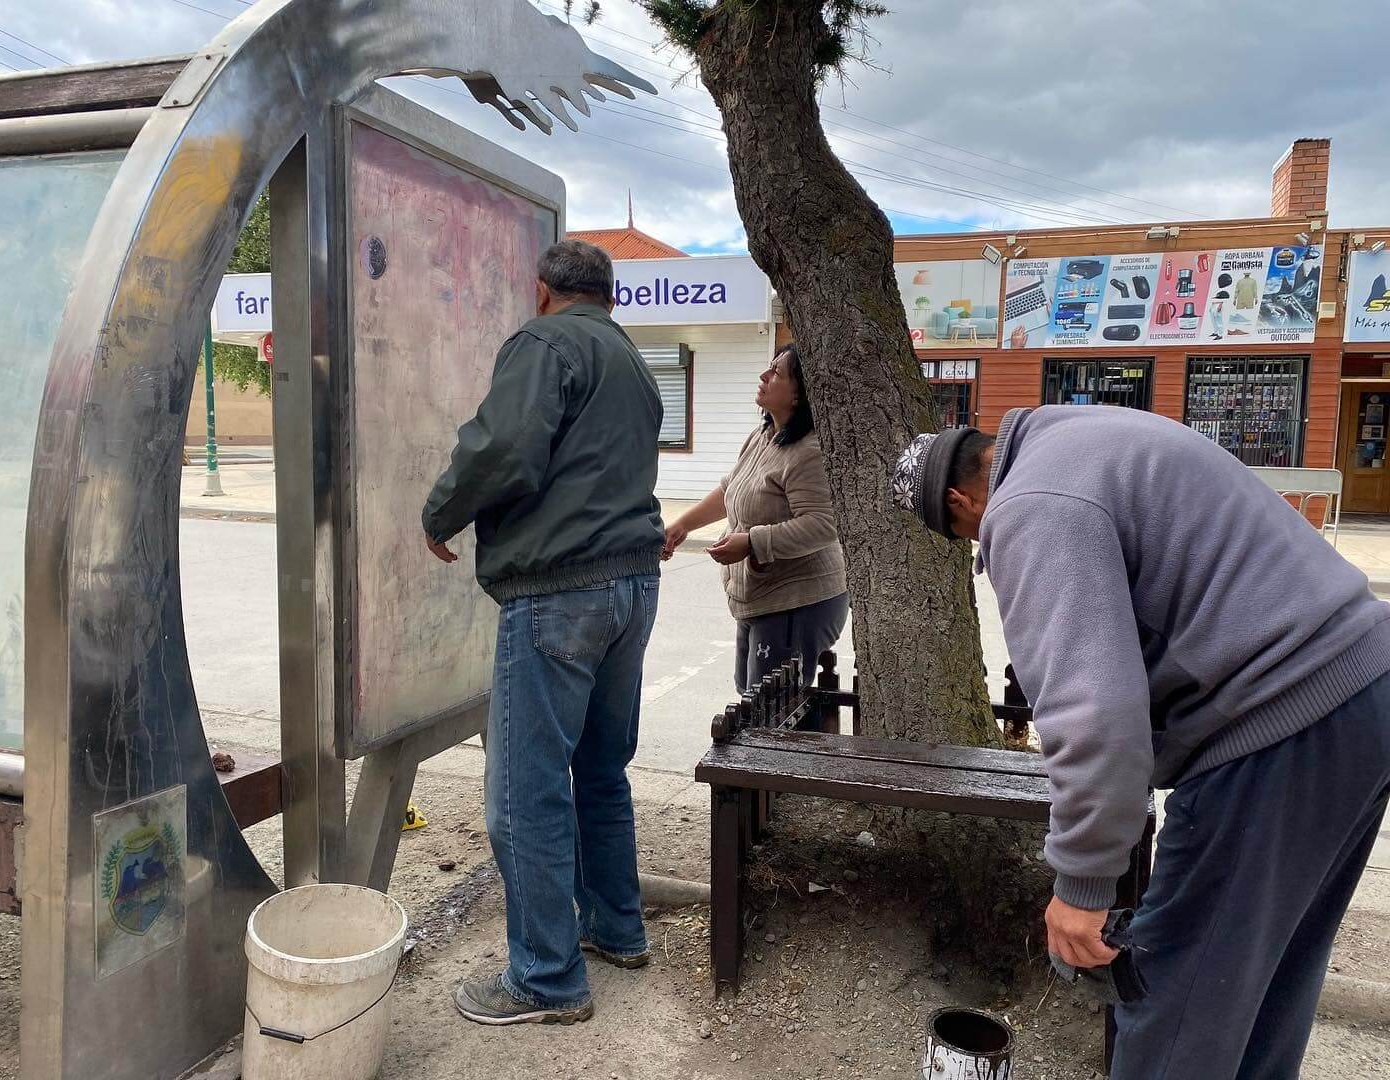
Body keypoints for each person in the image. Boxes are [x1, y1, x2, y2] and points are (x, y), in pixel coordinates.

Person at [892, 406, 1390, 1079]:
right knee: (1263, 982)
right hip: (1362, 688)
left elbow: (1092, 711)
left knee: (1177, 1000)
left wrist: (1082, 881)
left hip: (1277, 727)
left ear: (960, 502)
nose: (982, 541)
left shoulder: (1031, 505)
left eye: (966, 535)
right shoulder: (1084, 436)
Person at [422, 239, 664, 1026]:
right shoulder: (630, 358)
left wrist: (440, 512)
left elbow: (504, 447)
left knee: (525, 794)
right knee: (600, 770)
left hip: (560, 589)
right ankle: (616, 929)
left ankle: (546, 979)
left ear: (542, 290)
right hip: (633, 583)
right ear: (609, 294)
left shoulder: (545, 341)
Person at [663, 344, 847, 693]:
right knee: (754, 702)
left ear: (799, 394)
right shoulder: (763, 436)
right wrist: (682, 525)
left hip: (797, 601)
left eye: (777, 373)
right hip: (760, 598)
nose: (764, 376)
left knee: (771, 709)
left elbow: (823, 524)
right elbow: (731, 488)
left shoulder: (809, 452)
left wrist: (752, 542)